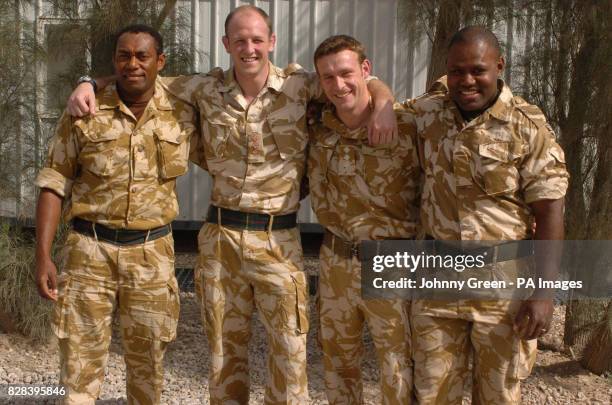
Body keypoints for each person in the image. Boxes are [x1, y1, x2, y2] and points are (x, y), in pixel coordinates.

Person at [65, 5, 397, 404]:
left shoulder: (300, 86)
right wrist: (87, 82)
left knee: (289, 357)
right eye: (239, 40)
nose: (249, 48)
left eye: (257, 39)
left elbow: (361, 78)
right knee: (224, 357)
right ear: (226, 44)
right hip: (221, 241)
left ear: (271, 42)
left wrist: (384, 104)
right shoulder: (204, 89)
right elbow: (138, 78)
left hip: (279, 241)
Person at [404, 26, 569, 404]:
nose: (466, 80)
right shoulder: (426, 115)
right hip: (437, 285)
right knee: (430, 394)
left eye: (477, 70)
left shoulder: (526, 126)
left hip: (503, 287)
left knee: (497, 395)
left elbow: (549, 210)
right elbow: (373, 112)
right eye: (457, 71)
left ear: (499, 66)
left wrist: (544, 293)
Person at [35, 24, 199, 404]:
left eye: (142, 56)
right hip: (89, 252)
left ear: (161, 62)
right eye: (123, 56)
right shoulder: (85, 110)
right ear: (114, 61)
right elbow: (54, 180)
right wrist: (42, 254)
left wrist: (88, 78)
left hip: (151, 255)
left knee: (148, 372)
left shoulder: (183, 108)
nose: (132, 64)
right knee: (78, 368)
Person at [308, 35, 419, 404]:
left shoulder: (406, 127)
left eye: (346, 73)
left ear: (366, 70)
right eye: (328, 77)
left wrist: (384, 100)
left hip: (392, 263)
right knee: (338, 364)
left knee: (398, 367)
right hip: (336, 261)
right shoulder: (318, 127)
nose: (338, 85)